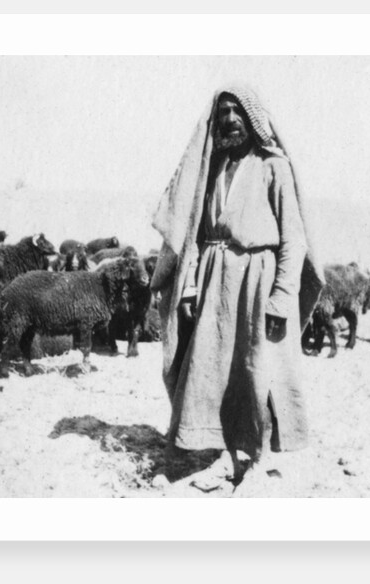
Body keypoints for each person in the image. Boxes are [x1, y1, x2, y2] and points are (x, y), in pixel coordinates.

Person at [150, 86, 325, 491]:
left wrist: (283, 295)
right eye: (223, 111)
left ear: (252, 117)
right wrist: (191, 284)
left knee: (257, 371)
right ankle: (223, 456)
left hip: (258, 280)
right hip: (214, 282)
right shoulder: (211, 171)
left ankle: (259, 460)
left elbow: (294, 239)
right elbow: (196, 235)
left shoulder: (272, 167)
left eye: (237, 111)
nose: (229, 118)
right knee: (211, 372)